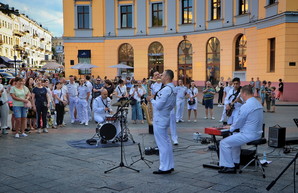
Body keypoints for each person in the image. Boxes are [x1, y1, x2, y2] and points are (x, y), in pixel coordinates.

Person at [218, 85, 263, 174]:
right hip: (258, 133)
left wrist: (230, 127)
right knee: (235, 140)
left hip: (248, 134)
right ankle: (235, 162)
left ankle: (229, 166)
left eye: (241, 94)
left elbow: (239, 122)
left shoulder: (246, 105)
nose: (240, 96)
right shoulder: (258, 103)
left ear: (244, 93)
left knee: (223, 143)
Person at [147, 69, 176, 174]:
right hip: (166, 116)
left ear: (167, 77)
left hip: (160, 118)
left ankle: (164, 167)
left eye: (162, 75)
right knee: (167, 142)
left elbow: (159, 106)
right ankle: (170, 165)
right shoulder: (173, 88)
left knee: (162, 144)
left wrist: (151, 99)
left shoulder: (166, 89)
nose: (160, 76)